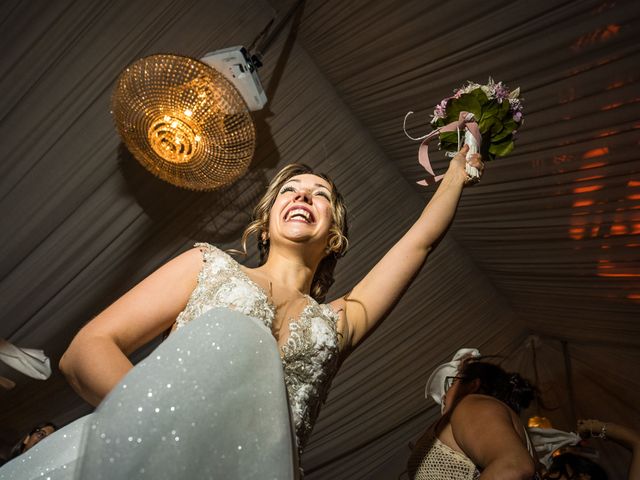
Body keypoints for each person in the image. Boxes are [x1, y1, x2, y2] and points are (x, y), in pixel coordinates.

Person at [0, 145, 483, 479]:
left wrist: (459, 169)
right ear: (267, 222)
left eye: (319, 194)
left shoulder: (340, 321)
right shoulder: (206, 265)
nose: (302, 196)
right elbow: (85, 350)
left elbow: (419, 243)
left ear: (334, 234)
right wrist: (164, 428)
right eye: (291, 190)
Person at [407, 357, 538, 479]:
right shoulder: (481, 417)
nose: (444, 395)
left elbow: (514, 465)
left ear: (473, 385)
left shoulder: (468, 405)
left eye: (452, 383)